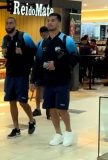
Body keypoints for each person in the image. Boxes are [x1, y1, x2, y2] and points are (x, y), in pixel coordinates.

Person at [31, 13, 79, 147]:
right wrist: (33, 80)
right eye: (48, 21)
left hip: (62, 80)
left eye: (53, 20)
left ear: (58, 23)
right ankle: (58, 133)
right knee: (51, 109)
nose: (50, 23)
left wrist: (56, 65)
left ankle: (68, 132)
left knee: (62, 109)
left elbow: (74, 58)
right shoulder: (42, 43)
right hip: (48, 81)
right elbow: (38, 63)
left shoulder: (66, 40)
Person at [1, 17, 37, 138]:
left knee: (22, 101)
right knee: (11, 101)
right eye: (7, 23)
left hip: (22, 74)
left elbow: (35, 51)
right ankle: (16, 128)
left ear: (15, 24)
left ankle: (32, 120)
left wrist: (23, 52)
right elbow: (5, 54)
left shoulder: (24, 36)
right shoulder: (4, 39)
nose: (8, 25)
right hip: (10, 74)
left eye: (11, 23)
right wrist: (4, 53)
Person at [31, 26, 50, 119]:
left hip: (49, 71)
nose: (43, 36)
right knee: (39, 89)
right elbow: (36, 59)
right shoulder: (39, 43)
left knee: (49, 90)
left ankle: (49, 108)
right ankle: (38, 108)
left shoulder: (52, 42)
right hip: (40, 70)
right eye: (42, 34)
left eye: (45, 34)